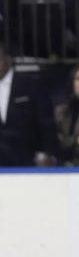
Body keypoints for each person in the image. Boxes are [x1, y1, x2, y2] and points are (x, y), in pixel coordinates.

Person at [0, 39, 55, 167]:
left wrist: (49, 153)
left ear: (8, 59)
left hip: (26, 160)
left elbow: (46, 123)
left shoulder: (30, 85)